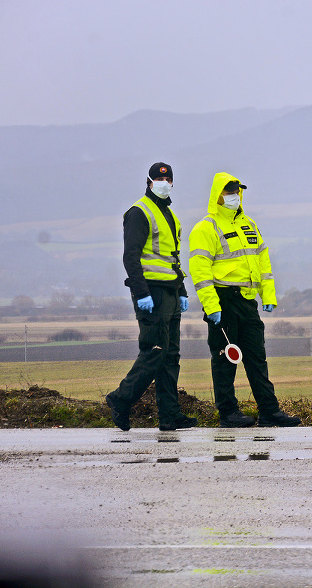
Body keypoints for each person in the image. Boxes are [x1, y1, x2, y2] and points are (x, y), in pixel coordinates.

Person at [188, 172, 301, 428]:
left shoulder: (249, 224)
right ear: (218, 195)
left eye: (237, 192)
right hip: (223, 300)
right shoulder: (207, 227)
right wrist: (211, 305)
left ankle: (269, 412)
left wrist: (268, 295)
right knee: (225, 360)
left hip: (248, 301)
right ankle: (228, 413)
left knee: (256, 358)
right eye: (229, 192)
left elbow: (263, 260)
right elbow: (200, 270)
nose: (234, 196)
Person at [106, 162, 197, 432]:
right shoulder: (139, 212)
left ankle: (170, 416)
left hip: (169, 291)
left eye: (168, 178)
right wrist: (141, 291)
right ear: (149, 182)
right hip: (151, 293)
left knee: (170, 356)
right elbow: (130, 256)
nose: (164, 182)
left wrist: (181, 290)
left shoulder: (169, 215)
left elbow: (172, 258)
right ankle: (120, 399)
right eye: (160, 178)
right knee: (154, 352)